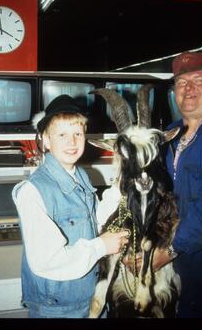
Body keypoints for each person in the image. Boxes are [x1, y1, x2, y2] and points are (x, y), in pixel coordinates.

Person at [12, 94, 129, 318]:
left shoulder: (81, 176)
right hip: (58, 308)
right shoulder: (32, 191)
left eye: (78, 133)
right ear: (45, 140)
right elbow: (48, 262)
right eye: (62, 134)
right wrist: (101, 247)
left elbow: (96, 220)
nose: (72, 142)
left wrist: (119, 186)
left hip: (93, 298)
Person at [152, 51, 202, 317]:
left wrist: (170, 249)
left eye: (198, 80)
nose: (188, 89)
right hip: (180, 264)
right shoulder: (170, 134)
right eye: (181, 83)